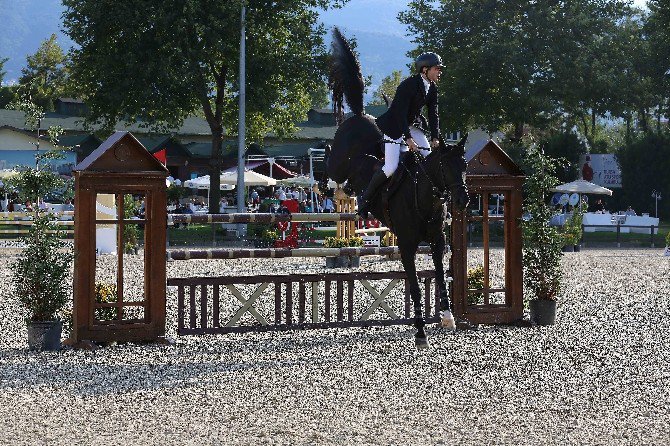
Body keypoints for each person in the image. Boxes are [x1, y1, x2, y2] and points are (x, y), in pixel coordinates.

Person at [358, 52, 444, 218]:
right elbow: (400, 114)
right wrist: (408, 139)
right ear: (425, 70)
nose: (439, 72)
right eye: (437, 69)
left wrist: (435, 137)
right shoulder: (408, 85)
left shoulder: (432, 88)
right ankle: (365, 198)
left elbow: (434, 114)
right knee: (391, 167)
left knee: (431, 158)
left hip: (413, 125)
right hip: (396, 126)